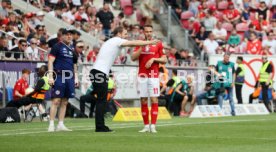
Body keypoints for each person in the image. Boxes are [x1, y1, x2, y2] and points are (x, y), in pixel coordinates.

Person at [90, 26, 159, 132]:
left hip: (98, 71)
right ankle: (100, 126)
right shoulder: (117, 40)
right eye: (125, 34)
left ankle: (100, 125)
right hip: (99, 72)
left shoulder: (111, 41)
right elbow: (132, 43)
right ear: (119, 33)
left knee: (101, 100)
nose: (127, 36)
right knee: (101, 100)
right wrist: (149, 43)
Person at [131, 25, 167, 133]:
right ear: (143, 32)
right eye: (146, 31)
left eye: (150, 31)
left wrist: (154, 59)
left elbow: (164, 59)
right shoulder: (139, 43)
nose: (149, 33)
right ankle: (146, 126)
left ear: (153, 32)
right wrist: (142, 47)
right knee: (143, 100)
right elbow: (133, 58)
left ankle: (153, 126)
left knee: (154, 99)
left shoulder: (158, 43)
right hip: (142, 75)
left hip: (153, 75)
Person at [47, 28, 78, 132]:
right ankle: (51, 124)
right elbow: (50, 61)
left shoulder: (72, 49)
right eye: (67, 34)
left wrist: (76, 77)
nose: (69, 36)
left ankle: (60, 124)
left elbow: (74, 65)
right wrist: (50, 76)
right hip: (60, 75)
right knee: (56, 100)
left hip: (69, 77)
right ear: (62, 36)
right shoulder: (57, 46)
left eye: (71, 35)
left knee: (65, 101)